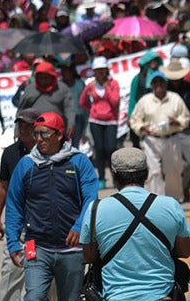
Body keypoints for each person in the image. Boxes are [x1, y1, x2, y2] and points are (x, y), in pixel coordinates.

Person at [80, 147, 190, 301]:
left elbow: (89, 256)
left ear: (114, 175)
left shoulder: (96, 210)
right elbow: (184, 251)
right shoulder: (170, 206)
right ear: (146, 174)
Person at [5, 112, 98, 301]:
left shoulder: (78, 162)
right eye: (36, 134)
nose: (39, 139)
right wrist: (13, 243)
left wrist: (80, 226)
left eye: (44, 134)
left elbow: (90, 198)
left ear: (59, 135)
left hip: (72, 251)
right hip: (38, 248)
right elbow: (14, 203)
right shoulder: (27, 165)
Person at [0, 109, 39, 301]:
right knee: (11, 274)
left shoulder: (48, 153)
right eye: (20, 125)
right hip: (17, 230)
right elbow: (3, 186)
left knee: (44, 277)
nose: (23, 129)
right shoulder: (10, 154)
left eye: (28, 125)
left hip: (41, 231)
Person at [128, 70, 190, 200]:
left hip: (171, 139)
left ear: (166, 83)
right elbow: (134, 120)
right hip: (151, 140)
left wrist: (177, 121)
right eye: (155, 82)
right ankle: (156, 201)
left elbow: (186, 118)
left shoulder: (175, 99)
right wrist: (142, 127)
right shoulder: (145, 101)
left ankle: (173, 201)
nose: (158, 84)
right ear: (151, 85)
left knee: (173, 172)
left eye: (161, 81)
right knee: (153, 172)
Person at [79, 57, 119, 189]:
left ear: (106, 70)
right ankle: (101, 177)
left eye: (102, 70)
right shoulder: (91, 84)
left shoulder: (113, 84)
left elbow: (115, 102)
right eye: (98, 70)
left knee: (111, 149)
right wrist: (93, 109)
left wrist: (107, 88)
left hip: (111, 120)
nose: (100, 73)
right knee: (99, 149)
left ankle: (115, 177)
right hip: (96, 121)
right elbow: (82, 102)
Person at [16, 62, 76, 139]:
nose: (43, 81)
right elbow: (21, 111)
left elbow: (69, 108)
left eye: (46, 78)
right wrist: (17, 131)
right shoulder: (30, 89)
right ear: (36, 77)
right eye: (41, 78)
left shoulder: (62, 89)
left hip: (55, 131)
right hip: (34, 131)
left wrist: (71, 123)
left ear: (53, 77)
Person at [127, 50, 162, 148]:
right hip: (139, 113)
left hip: (155, 113)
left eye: (155, 60)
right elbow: (133, 98)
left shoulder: (161, 77)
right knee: (136, 143)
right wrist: (130, 116)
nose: (154, 62)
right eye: (151, 60)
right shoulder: (137, 79)